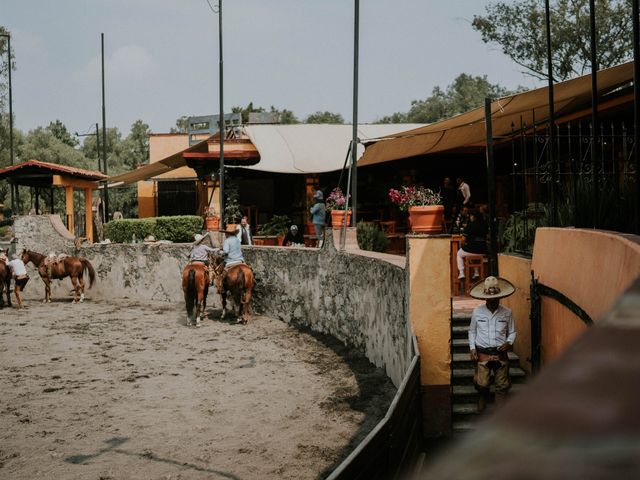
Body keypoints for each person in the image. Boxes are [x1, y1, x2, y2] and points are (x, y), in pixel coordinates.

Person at [468, 276, 516, 412]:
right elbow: (472, 331)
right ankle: (482, 396)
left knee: (502, 384)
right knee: (482, 383)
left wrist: (509, 342)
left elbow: (512, 332)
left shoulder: (507, 312)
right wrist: (472, 348)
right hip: (483, 352)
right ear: (485, 298)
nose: (493, 301)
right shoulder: (477, 312)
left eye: (495, 299)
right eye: (490, 299)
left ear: (500, 297)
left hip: (500, 353)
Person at [456, 209, 487, 280]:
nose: (470, 217)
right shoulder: (484, 225)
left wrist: (462, 245)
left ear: (473, 217)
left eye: (471, 216)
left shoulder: (470, 225)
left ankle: (461, 273)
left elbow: (463, 239)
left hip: (472, 249)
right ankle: (476, 273)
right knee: (472, 254)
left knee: (459, 254)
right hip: (483, 250)